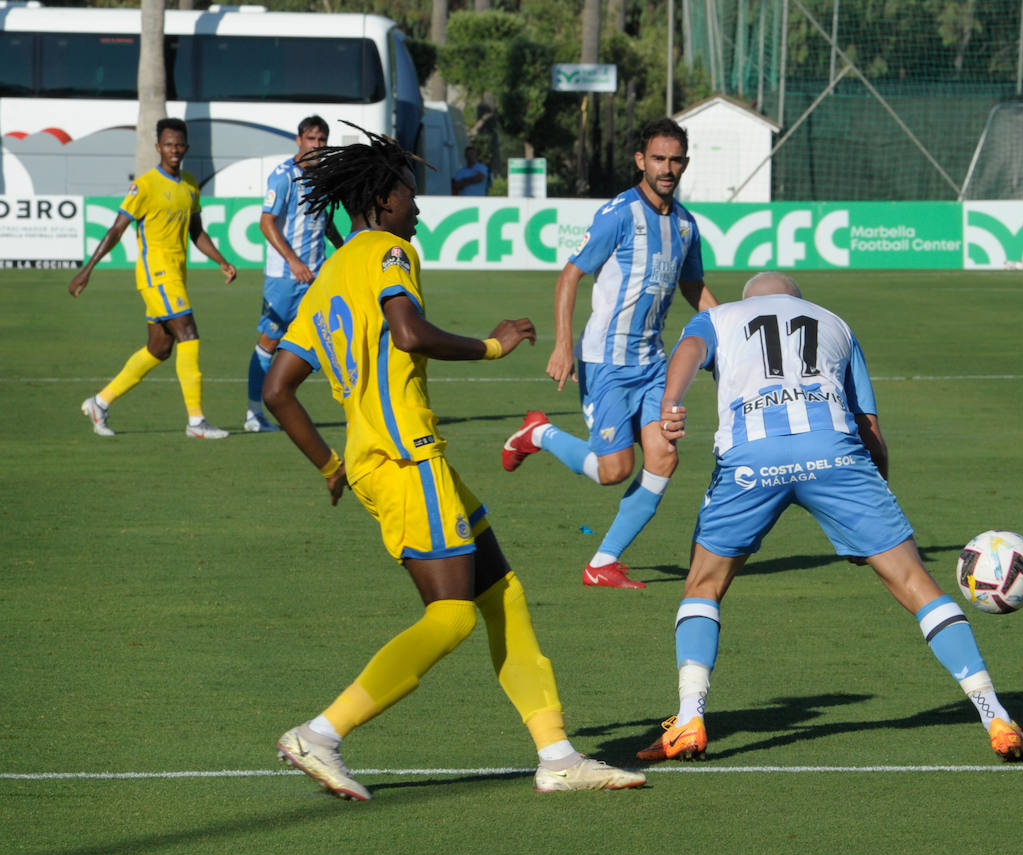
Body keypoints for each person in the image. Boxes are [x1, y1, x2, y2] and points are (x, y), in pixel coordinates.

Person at [262, 125, 645, 800]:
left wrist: (330, 464)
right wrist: (494, 346)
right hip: (408, 459)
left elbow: (277, 389)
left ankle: (557, 755)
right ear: (382, 200)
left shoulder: (328, 278)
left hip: (384, 462)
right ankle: (320, 733)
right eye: (411, 197)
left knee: (502, 593)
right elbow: (409, 330)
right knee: (453, 616)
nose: (419, 210)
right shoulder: (386, 253)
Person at [635, 272, 1023, 764]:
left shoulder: (717, 316)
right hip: (836, 457)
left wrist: (671, 402)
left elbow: (690, 351)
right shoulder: (835, 323)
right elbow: (868, 425)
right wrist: (872, 506)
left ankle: (690, 718)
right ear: (797, 301)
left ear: (750, 299)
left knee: (703, 585)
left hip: (751, 460)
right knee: (916, 583)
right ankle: (996, 715)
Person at [500, 117, 720, 589]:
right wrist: (563, 345)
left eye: (675, 159)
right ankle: (538, 434)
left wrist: (732, 333)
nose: (667, 168)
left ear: (685, 163)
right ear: (641, 161)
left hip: (654, 364)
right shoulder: (618, 214)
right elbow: (569, 275)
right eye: (658, 158)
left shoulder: (685, 225)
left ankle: (602, 562)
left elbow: (693, 287)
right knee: (614, 470)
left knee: (663, 457)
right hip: (606, 363)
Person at [69, 117, 238, 438]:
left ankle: (99, 403)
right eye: (169, 144)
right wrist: (87, 270)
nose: (175, 150)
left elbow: (195, 231)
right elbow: (116, 230)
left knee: (159, 348)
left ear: (186, 147)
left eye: (180, 144)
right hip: (156, 274)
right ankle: (196, 422)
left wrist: (222, 261)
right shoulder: (145, 186)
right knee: (188, 333)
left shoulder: (189, 184)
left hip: (175, 273)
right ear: (158, 147)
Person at [244, 115, 344, 432]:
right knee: (269, 342)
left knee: (332, 339)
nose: (317, 145)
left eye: (322, 140)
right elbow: (266, 222)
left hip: (317, 277)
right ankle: (253, 413)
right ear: (299, 139)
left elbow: (324, 221)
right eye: (312, 139)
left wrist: (343, 249)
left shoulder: (323, 178)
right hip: (285, 278)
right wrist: (293, 262)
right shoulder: (284, 176)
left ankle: (354, 406)